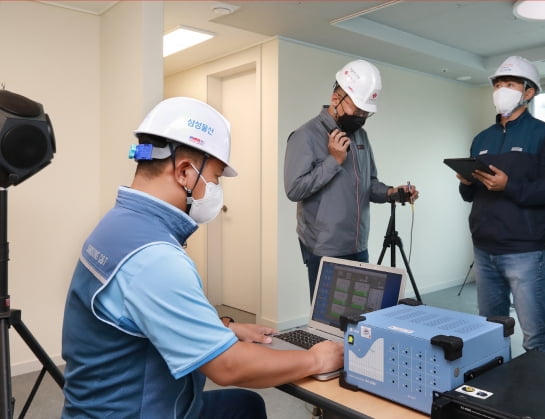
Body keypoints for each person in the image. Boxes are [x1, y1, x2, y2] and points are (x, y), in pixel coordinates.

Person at [61, 97, 343, 418]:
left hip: (107, 404)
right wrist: (318, 359)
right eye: (216, 177)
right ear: (184, 171)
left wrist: (225, 328)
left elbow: (143, 316)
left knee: (245, 407)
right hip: (136, 412)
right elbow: (228, 367)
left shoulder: (118, 226)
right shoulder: (156, 258)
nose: (216, 187)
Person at [457, 56, 545, 354]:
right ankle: (496, 398)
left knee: (536, 338)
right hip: (484, 251)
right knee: (490, 332)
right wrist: (467, 182)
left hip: (526, 253)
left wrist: (510, 186)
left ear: (528, 91)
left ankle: (541, 400)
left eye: (508, 84)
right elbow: (471, 196)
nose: (500, 89)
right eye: (497, 84)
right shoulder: (482, 138)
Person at [284, 59, 418, 300]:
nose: (361, 118)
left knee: (360, 319)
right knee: (328, 323)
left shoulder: (360, 136)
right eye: (357, 111)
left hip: (359, 247)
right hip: (325, 249)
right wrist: (333, 161)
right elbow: (294, 189)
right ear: (337, 99)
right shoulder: (305, 136)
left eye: (366, 113)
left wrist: (391, 193)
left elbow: (369, 184)